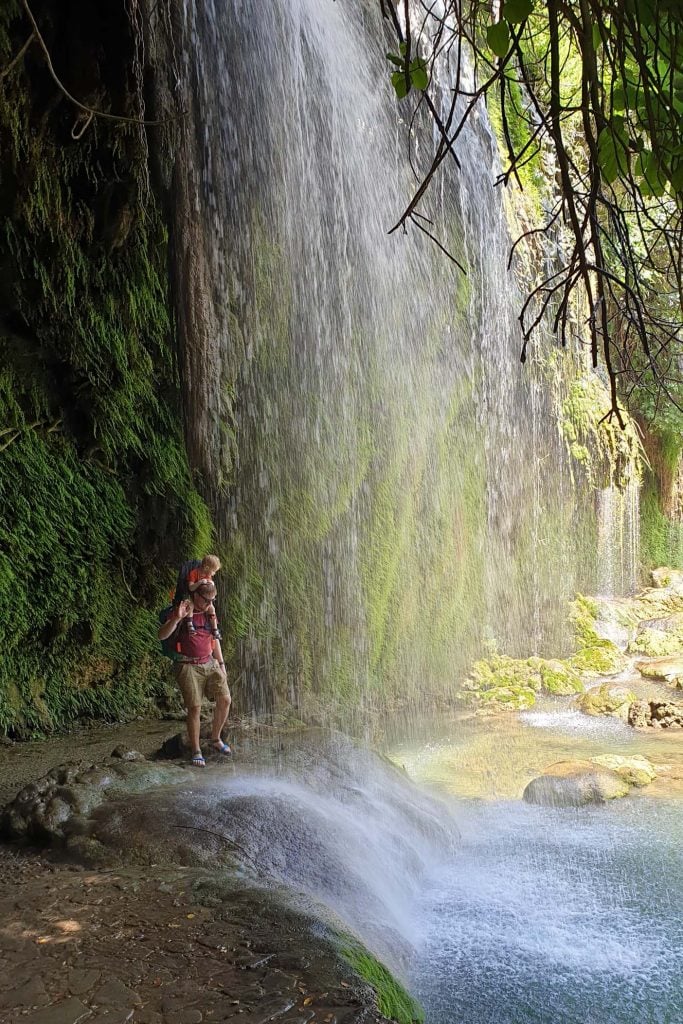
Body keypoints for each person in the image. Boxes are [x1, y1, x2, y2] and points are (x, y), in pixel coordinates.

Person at [158, 579, 231, 767]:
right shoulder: (183, 609)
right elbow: (162, 635)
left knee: (225, 699)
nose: (210, 604)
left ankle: (215, 739)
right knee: (195, 707)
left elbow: (215, 640)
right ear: (196, 596)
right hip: (187, 665)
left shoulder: (209, 613)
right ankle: (196, 749)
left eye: (213, 600)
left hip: (210, 661)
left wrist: (221, 664)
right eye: (207, 600)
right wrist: (176, 618)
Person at [173, 555, 222, 639]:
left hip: (202, 597)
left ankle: (215, 629)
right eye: (213, 571)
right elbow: (191, 588)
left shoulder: (208, 575)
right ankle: (190, 624)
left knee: (212, 608)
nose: (214, 573)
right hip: (191, 595)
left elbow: (210, 584)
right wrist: (199, 582)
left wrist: (211, 583)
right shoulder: (194, 573)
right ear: (206, 568)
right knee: (190, 606)